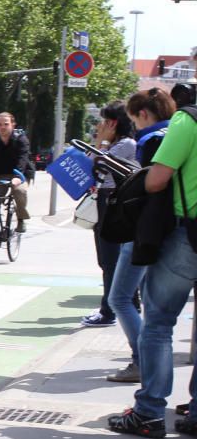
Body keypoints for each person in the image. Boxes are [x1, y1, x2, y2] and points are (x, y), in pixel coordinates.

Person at [107, 92, 197, 439]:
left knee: (158, 323)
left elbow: (158, 179)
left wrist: (135, 186)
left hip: (187, 235)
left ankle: (149, 412)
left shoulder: (187, 121)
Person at [105, 90, 174, 383]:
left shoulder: (150, 140)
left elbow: (151, 186)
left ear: (143, 114)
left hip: (145, 230)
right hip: (176, 229)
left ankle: (140, 363)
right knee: (156, 309)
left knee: (120, 298)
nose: (135, 125)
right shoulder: (177, 132)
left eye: (134, 119)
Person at [81, 101, 137, 329]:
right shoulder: (118, 143)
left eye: (105, 121)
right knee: (108, 257)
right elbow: (91, 158)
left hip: (114, 201)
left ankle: (108, 311)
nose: (101, 125)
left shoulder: (126, 144)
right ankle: (122, 304)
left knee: (110, 257)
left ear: (114, 123)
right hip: (105, 199)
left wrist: (101, 141)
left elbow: (97, 161)